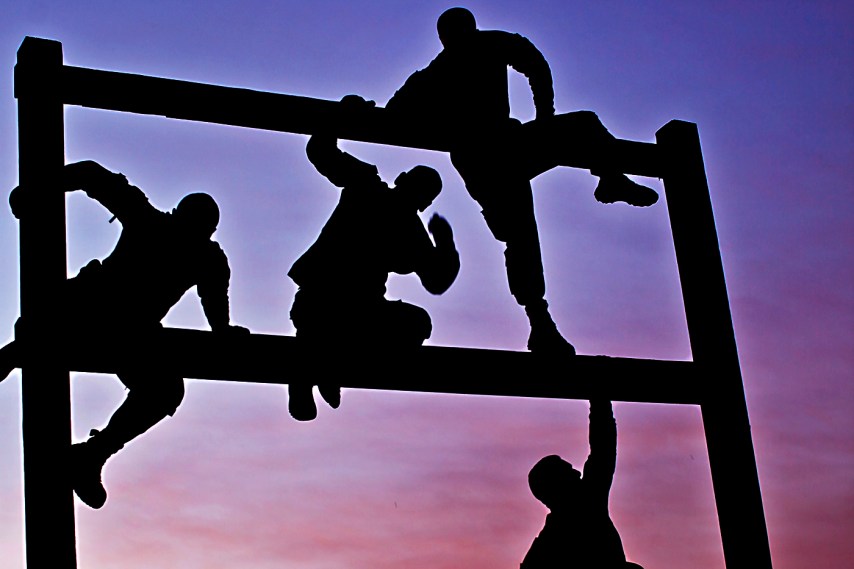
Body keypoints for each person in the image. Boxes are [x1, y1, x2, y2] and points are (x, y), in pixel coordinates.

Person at [386, 7, 659, 355]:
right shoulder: (439, 71)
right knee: (520, 235)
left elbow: (533, 61)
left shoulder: (465, 57)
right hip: (486, 163)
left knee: (583, 128)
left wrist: (545, 116)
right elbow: (392, 114)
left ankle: (610, 179)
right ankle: (540, 324)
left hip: (506, 150)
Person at [7, 160, 248, 509]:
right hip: (88, 310)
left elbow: (214, 301)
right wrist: (36, 188)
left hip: (127, 331)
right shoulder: (154, 224)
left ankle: (91, 455)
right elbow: (92, 174)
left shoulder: (201, 254)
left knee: (165, 390)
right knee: (46, 324)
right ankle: (21, 352)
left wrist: (224, 330)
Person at [287, 97, 460, 421]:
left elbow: (437, 280)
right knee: (321, 323)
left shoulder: (402, 222)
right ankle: (313, 372)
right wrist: (345, 115)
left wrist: (445, 242)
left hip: (357, 311)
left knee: (416, 324)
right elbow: (321, 150)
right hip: (322, 302)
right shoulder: (367, 188)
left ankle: (330, 364)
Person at [521, 400, 642, 569]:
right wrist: (600, 404)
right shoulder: (588, 502)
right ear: (558, 486)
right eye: (569, 472)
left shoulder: (545, 546)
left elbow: (603, 450)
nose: (578, 473)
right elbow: (603, 449)